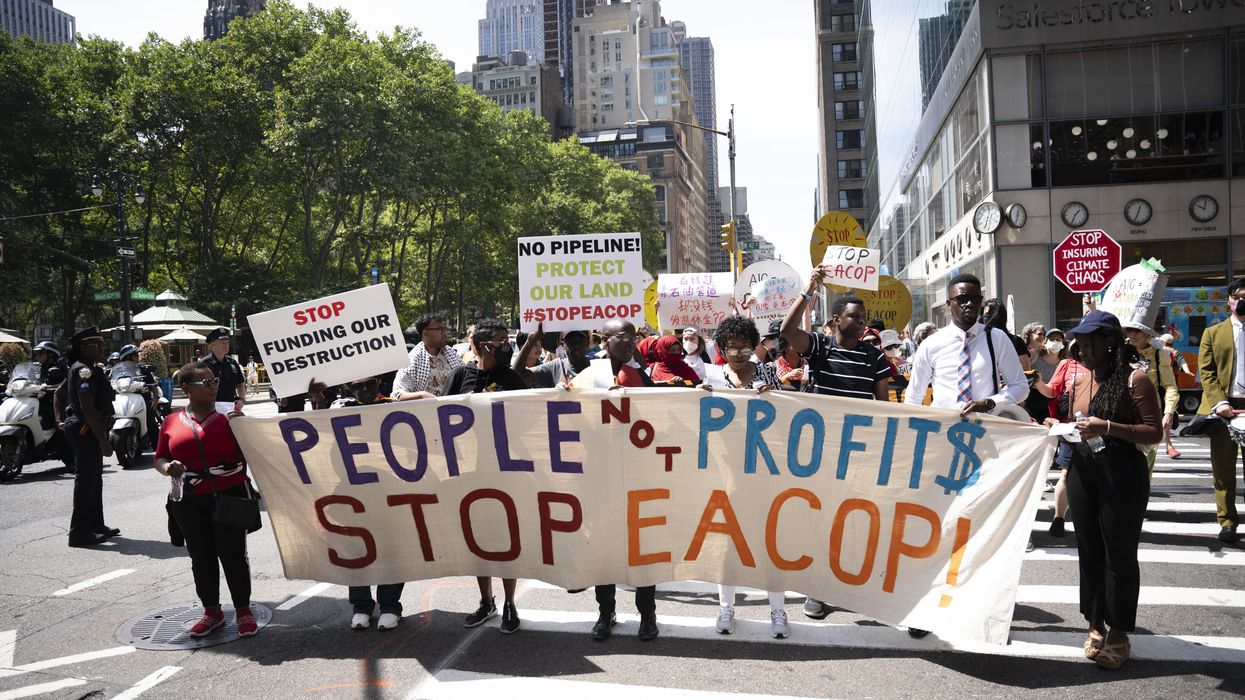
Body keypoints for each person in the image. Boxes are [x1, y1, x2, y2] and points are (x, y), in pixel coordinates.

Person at [781, 274, 892, 624]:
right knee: (823, 519)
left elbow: (884, 403)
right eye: (853, 317)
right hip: (823, 452)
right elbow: (787, 330)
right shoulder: (819, 346)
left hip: (860, 452)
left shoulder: (875, 357)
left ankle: (853, 583)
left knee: (855, 519)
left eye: (862, 318)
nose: (859, 323)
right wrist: (809, 290)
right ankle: (819, 588)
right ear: (835, 321)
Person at [1061, 310, 1161, 670]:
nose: (1082, 350)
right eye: (1080, 344)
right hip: (1083, 471)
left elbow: (1153, 433)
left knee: (1118, 555)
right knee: (1088, 551)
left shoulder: (1136, 380)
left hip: (1122, 473)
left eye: (1089, 343)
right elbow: (1073, 423)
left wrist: (1108, 427)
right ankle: (1094, 624)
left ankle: (1119, 632)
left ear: (1110, 342)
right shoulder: (1079, 381)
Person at [695, 315, 787, 637]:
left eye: (744, 346)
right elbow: (696, 420)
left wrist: (771, 396)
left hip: (761, 470)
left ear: (754, 346)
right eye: (731, 347)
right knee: (728, 544)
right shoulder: (712, 376)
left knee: (768, 542)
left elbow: (784, 418)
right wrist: (698, 396)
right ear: (721, 348)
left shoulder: (767, 373)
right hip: (724, 473)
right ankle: (726, 609)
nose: (738, 353)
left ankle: (778, 611)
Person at [155, 362, 259, 637]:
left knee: (234, 555)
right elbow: (160, 457)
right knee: (201, 557)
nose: (213, 387)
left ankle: (243, 611)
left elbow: (255, 452)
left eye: (214, 382)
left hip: (229, 496)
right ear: (186, 388)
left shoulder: (230, 419)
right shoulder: (171, 421)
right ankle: (212, 612)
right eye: (206, 383)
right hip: (188, 499)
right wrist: (168, 468)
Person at [441, 320, 526, 634]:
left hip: (504, 471)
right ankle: (486, 600)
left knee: (506, 539)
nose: (507, 346)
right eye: (501, 341)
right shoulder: (460, 376)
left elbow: (531, 415)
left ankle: (509, 603)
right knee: (478, 539)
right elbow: (439, 416)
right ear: (481, 344)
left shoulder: (510, 377)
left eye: (508, 341)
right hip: (468, 473)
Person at [308, 376, 411, 631]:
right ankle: (361, 605)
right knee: (355, 548)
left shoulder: (391, 407)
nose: (365, 390)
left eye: (370, 385)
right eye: (358, 386)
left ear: (379, 384)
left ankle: (389, 605)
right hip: (350, 490)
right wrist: (319, 401)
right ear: (349, 388)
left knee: (390, 546)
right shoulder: (340, 409)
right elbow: (319, 432)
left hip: (386, 488)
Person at [589, 319, 659, 641]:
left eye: (634, 336)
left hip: (638, 474)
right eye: (623, 336)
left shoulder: (642, 376)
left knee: (643, 547)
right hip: (601, 476)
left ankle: (647, 613)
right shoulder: (589, 377)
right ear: (604, 340)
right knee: (604, 550)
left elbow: (664, 412)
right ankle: (606, 612)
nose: (631, 341)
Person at [905, 274, 1029, 415]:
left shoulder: (996, 338)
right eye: (962, 299)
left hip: (986, 428)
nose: (969, 304)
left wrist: (990, 403)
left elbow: (1020, 386)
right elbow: (913, 397)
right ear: (948, 304)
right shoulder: (930, 345)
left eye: (975, 299)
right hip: (942, 430)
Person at [1196, 278, 1245, 543]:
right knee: (1223, 470)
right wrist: (1220, 402)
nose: (1241, 301)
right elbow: (1207, 372)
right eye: (1237, 296)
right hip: (1224, 408)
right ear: (1229, 300)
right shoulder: (1213, 333)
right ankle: (1227, 521)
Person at [63, 328, 118, 547]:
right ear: (83, 347)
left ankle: (96, 525)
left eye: (101, 343)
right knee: (85, 481)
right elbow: (87, 408)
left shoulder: (88, 368)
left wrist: (61, 417)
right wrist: (103, 441)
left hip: (90, 428)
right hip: (87, 429)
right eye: (96, 344)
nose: (101, 347)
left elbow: (59, 393)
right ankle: (79, 532)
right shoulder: (83, 370)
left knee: (95, 479)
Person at [1122, 320, 1178, 471]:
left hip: (1150, 417)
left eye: (1137, 330)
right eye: (1129, 330)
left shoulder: (1160, 354)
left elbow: (1170, 386)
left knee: (1144, 467)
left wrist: (1168, 412)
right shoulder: (1120, 352)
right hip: (1122, 415)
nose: (1132, 334)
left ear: (1147, 332)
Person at [392, 312, 462, 400]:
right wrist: (421, 395)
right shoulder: (413, 360)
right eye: (440, 329)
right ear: (425, 334)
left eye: (444, 329)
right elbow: (398, 393)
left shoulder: (451, 354)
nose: (445, 333)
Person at [513, 324, 592, 388]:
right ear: (562, 344)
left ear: (588, 344)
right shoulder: (555, 367)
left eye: (580, 340)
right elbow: (517, 374)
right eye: (571, 340)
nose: (576, 345)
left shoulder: (597, 366)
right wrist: (530, 341)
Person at [201, 328, 245, 413]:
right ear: (212, 345)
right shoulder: (204, 364)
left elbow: (240, 384)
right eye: (222, 342)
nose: (226, 345)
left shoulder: (232, 362)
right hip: (211, 411)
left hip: (231, 409)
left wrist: (242, 399)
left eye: (227, 342)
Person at [981, 298, 1031, 371]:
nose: (984, 319)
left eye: (987, 315)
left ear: (998, 316)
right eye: (984, 316)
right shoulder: (979, 340)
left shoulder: (1016, 341)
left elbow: (1026, 370)